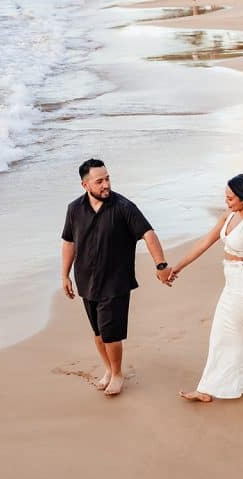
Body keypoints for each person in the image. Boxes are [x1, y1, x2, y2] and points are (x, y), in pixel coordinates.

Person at [169, 173, 243, 402]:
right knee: (225, 336)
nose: (227, 201)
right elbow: (205, 242)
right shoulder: (229, 216)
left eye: (231, 198)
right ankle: (213, 388)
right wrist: (179, 266)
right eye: (226, 197)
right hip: (231, 286)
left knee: (242, 336)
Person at [61, 159, 173, 397]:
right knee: (98, 333)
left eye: (107, 179)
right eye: (99, 181)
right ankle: (108, 370)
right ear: (85, 184)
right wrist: (65, 274)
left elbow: (148, 234)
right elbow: (69, 241)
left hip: (115, 281)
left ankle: (118, 374)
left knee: (111, 333)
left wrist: (160, 264)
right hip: (86, 280)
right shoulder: (74, 209)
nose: (106, 185)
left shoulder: (123, 207)